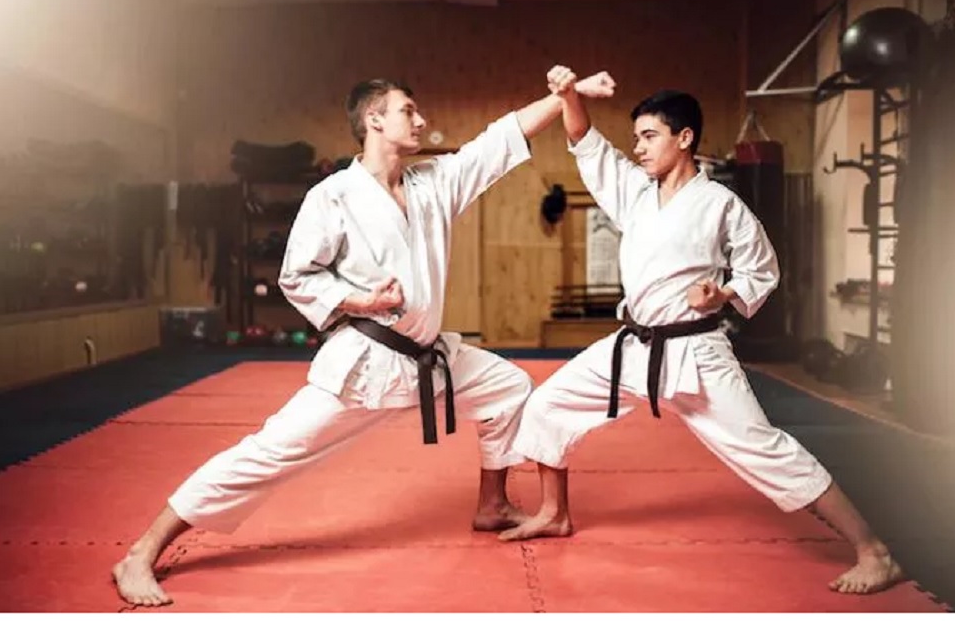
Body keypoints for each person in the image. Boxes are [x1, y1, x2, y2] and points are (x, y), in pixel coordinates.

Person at [112, 71, 612, 607]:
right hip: (366, 365)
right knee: (268, 454)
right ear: (374, 119)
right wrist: (359, 301)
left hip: (430, 357)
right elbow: (296, 277)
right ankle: (142, 552)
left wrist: (564, 97)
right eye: (408, 111)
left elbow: (500, 139)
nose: (421, 120)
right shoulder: (332, 196)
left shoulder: (434, 183)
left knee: (508, 387)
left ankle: (492, 504)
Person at [499, 66, 905, 596]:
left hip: (696, 352)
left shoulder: (721, 205)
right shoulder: (634, 192)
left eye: (650, 136)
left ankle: (875, 552)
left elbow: (762, 269)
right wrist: (568, 94)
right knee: (547, 405)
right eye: (636, 138)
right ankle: (554, 513)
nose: (638, 148)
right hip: (633, 346)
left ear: (685, 137)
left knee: (765, 449)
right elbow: (583, 139)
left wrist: (724, 295)